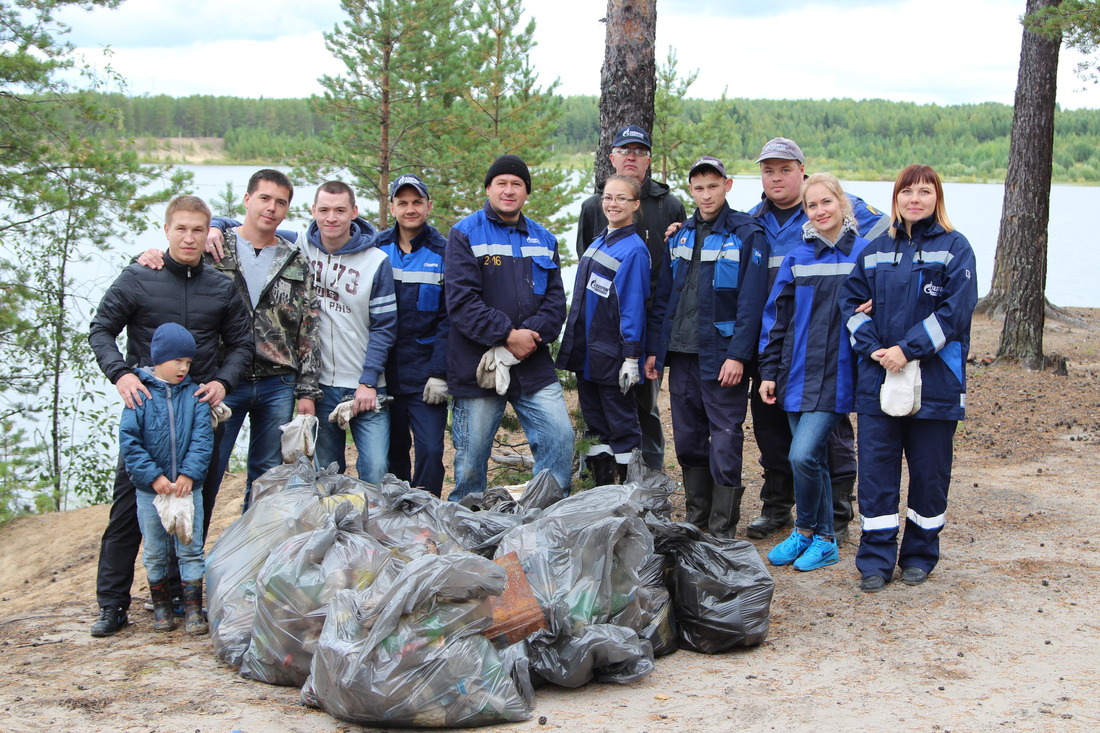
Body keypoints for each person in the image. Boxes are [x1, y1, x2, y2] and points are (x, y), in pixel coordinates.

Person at [88, 195, 252, 637]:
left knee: (195, 508)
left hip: (197, 414)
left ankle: (182, 596)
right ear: (166, 230)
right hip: (147, 414)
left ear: (208, 233)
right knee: (128, 513)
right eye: (181, 228)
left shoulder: (220, 287)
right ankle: (112, 604)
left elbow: (242, 344)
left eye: (198, 230)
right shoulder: (141, 276)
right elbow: (101, 329)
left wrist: (223, 382)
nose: (189, 237)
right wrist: (121, 375)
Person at [840, 164, 977, 592]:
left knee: (929, 473)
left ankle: (920, 554)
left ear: (937, 198)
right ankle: (876, 560)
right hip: (878, 380)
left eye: (924, 192)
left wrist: (908, 349)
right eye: (906, 192)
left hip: (935, 383)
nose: (914, 200)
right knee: (877, 473)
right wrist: (874, 347)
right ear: (896, 197)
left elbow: (955, 313)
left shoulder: (956, 249)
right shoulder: (875, 250)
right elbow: (848, 304)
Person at [746, 137, 889, 544]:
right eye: (769, 170)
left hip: (838, 363)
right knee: (778, 437)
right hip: (787, 355)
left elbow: (895, 241)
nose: (777, 177)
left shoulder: (859, 240)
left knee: (823, 445)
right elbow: (777, 310)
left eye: (785, 169)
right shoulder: (755, 220)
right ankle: (793, 516)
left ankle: (833, 520)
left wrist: (880, 299)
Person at [208, 181, 396, 483]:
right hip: (320, 384)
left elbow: (385, 328)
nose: (331, 218)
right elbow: (254, 225)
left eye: (339, 210)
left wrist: (369, 380)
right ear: (313, 211)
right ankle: (335, 528)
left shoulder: (376, 261)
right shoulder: (299, 246)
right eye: (323, 210)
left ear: (354, 212)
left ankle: (371, 528)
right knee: (325, 475)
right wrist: (214, 225)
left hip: (365, 384)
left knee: (375, 469)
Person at [645, 157, 769, 539]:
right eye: (698, 188)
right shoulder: (680, 235)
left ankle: (722, 524)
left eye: (713, 186)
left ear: (727, 185)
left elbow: (752, 303)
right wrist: (655, 350)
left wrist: (739, 356)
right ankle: (697, 514)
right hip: (681, 353)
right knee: (687, 435)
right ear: (691, 191)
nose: (706, 194)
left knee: (726, 435)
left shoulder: (748, 234)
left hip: (722, 355)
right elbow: (664, 296)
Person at [444, 154, 573, 502]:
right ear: (488, 188)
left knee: (559, 439)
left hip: (532, 363)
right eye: (501, 182)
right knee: (471, 461)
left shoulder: (544, 239)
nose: (509, 189)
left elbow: (555, 304)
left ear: (526, 192)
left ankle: (547, 518)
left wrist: (527, 338)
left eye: (517, 184)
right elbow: (461, 302)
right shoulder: (464, 233)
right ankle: (466, 526)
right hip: (478, 365)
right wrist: (506, 336)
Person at [757, 173, 869, 571]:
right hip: (794, 373)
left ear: (842, 203)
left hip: (838, 376)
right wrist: (769, 371)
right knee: (814, 460)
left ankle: (805, 529)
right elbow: (777, 320)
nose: (820, 211)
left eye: (826, 202)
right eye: (812, 205)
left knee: (802, 455)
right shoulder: (797, 257)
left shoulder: (866, 255)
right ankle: (823, 540)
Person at [205, 169, 322, 510]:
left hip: (277, 384)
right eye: (264, 198)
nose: (271, 208)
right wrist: (147, 257)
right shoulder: (214, 250)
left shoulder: (294, 259)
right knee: (209, 469)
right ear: (247, 200)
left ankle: (251, 555)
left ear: (287, 210)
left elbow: (308, 331)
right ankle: (190, 560)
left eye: (280, 202)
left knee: (266, 478)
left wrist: (306, 391)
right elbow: (173, 266)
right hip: (224, 380)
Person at [577, 125, 686, 472]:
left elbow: (678, 270)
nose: (631, 157)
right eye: (625, 151)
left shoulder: (669, 205)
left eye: (639, 151)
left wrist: (652, 344)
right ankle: (598, 477)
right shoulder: (595, 206)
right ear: (612, 158)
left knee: (644, 408)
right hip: (606, 331)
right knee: (604, 407)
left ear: (648, 160)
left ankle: (649, 477)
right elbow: (589, 266)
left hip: (650, 326)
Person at [119, 323, 212, 635]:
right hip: (151, 492)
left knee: (190, 547)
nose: (184, 368)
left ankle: (193, 609)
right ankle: (161, 607)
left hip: (188, 489)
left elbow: (203, 440)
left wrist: (189, 474)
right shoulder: (139, 395)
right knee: (156, 550)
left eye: (188, 362)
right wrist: (154, 477)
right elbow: (130, 443)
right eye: (178, 362)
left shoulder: (195, 395)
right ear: (159, 359)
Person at [557, 174, 650, 484]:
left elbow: (633, 308)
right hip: (589, 356)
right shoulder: (601, 240)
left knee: (622, 427)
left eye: (622, 198)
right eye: (609, 197)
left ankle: (631, 498)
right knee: (596, 426)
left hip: (612, 357)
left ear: (635, 204)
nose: (613, 203)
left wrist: (631, 358)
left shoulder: (633, 251)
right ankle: (602, 495)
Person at [376, 173, 450, 496]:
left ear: (428, 206)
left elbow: (450, 319)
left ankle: (428, 514)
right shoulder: (376, 249)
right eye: (402, 202)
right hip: (384, 374)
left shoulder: (445, 252)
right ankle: (397, 518)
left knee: (431, 452)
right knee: (393, 454)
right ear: (391, 207)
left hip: (426, 377)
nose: (410, 209)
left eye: (417, 202)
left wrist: (440, 372)